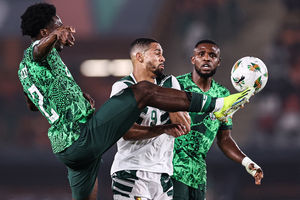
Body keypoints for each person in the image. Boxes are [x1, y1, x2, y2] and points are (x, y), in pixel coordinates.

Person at [18, 3, 254, 200]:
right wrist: (56, 35)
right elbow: (37, 50)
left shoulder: (24, 72)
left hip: (67, 150)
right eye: (57, 25)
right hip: (83, 136)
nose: (63, 29)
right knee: (142, 90)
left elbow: (33, 102)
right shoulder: (35, 52)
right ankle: (218, 104)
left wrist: (77, 98)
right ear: (43, 32)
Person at [171, 40, 264, 200]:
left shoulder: (223, 94)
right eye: (201, 54)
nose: (206, 58)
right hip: (171, 171)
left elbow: (224, 139)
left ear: (218, 62)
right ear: (193, 59)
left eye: (212, 55)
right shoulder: (177, 85)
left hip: (198, 177)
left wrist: (247, 162)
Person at [110, 38, 191, 200]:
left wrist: (166, 95)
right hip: (131, 170)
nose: (163, 58)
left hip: (163, 173)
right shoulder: (123, 87)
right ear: (139, 57)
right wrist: (163, 129)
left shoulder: (169, 83)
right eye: (157, 53)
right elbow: (125, 131)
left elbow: (184, 126)